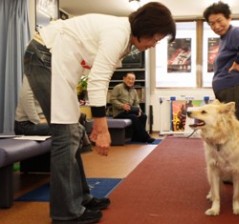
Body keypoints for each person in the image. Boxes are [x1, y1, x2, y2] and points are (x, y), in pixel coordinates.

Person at [23, 2, 176, 223]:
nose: (154, 44)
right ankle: (65, 213)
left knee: (72, 132)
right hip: (43, 57)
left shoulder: (124, 40)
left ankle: (81, 198)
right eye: (155, 38)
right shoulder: (118, 33)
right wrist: (101, 128)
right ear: (145, 28)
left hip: (52, 61)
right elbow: (98, 80)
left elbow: (95, 73)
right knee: (65, 137)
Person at [203, 1, 239, 123]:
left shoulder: (234, 32)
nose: (216, 26)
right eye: (212, 23)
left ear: (229, 18)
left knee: (232, 127)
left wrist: (237, 62)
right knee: (226, 127)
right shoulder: (225, 38)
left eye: (219, 21)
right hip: (227, 88)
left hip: (234, 86)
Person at [110, 72, 155, 143]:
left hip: (129, 111)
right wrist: (122, 106)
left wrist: (139, 110)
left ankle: (137, 137)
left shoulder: (134, 91)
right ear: (124, 79)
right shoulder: (118, 87)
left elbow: (136, 103)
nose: (131, 81)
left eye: (133, 79)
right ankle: (146, 137)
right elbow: (112, 99)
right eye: (129, 79)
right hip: (119, 113)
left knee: (143, 116)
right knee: (133, 117)